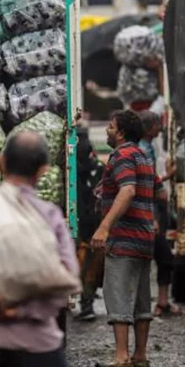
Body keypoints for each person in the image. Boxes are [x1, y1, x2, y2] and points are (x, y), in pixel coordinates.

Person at [0, 131, 79, 367]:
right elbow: (67, 277)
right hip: (37, 344)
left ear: (1, 162)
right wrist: (23, 312)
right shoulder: (50, 216)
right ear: (43, 170)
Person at [91, 110, 167, 367]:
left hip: (123, 238)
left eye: (110, 127)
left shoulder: (121, 155)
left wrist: (104, 226)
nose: (107, 131)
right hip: (144, 238)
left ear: (121, 132)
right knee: (142, 299)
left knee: (118, 295)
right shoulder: (143, 157)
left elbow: (128, 190)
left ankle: (121, 356)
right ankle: (140, 355)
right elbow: (160, 192)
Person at [138, 111, 181, 317]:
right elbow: (146, 184)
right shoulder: (143, 149)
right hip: (151, 210)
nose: (160, 128)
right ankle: (154, 303)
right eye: (157, 124)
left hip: (155, 209)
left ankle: (162, 302)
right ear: (148, 128)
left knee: (162, 258)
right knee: (162, 257)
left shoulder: (148, 147)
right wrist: (152, 216)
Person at [74, 125, 106, 322]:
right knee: (91, 267)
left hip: (81, 225)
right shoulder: (99, 168)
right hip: (96, 225)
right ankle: (87, 303)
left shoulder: (72, 169)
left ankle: (84, 303)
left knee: (82, 264)